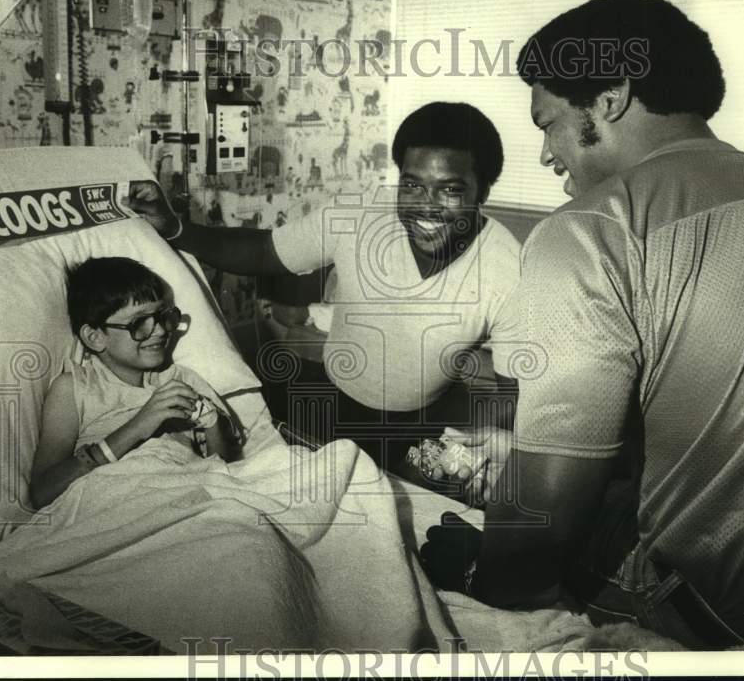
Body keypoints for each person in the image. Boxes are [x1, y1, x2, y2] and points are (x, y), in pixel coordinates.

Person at [420, 0, 744, 649]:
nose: (547, 155)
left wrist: (476, 566)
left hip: (730, 624)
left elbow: (541, 524)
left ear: (609, 99)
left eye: (547, 123)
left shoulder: (595, 226)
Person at [130, 102, 522, 477]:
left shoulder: (507, 268)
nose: (426, 207)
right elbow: (267, 252)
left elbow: (512, 393)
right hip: (329, 401)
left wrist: (480, 445)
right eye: (413, 185)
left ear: (482, 193)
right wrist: (178, 229)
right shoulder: (361, 210)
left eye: (450, 190)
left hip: (423, 423)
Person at [30, 257, 245, 509]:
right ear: (95, 337)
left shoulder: (182, 380)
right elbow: (41, 494)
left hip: (188, 495)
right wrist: (139, 425)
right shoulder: (75, 389)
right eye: (139, 323)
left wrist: (212, 423)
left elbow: (228, 465)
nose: (161, 331)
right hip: (115, 506)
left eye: (163, 316)